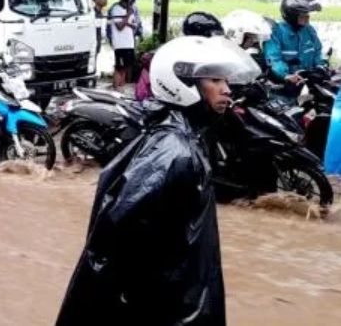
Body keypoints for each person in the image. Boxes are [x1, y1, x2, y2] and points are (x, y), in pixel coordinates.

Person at [55, 35, 261, 326]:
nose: (227, 89)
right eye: (214, 80)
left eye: (225, 80)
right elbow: (113, 248)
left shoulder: (185, 140)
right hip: (169, 309)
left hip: (180, 298)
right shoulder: (173, 154)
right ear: (184, 84)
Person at [264, 0, 326, 87]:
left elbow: (318, 51)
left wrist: (320, 67)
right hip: (285, 83)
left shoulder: (309, 30)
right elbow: (273, 59)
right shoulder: (276, 32)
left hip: (308, 80)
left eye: (308, 15)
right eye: (303, 15)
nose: (307, 18)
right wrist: (286, 76)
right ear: (292, 16)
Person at [106, 0, 137, 89]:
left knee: (126, 67)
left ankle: (121, 86)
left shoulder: (131, 9)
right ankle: (116, 87)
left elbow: (134, 25)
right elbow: (119, 27)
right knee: (120, 67)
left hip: (129, 42)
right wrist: (127, 16)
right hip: (120, 43)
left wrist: (128, 20)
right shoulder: (116, 9)